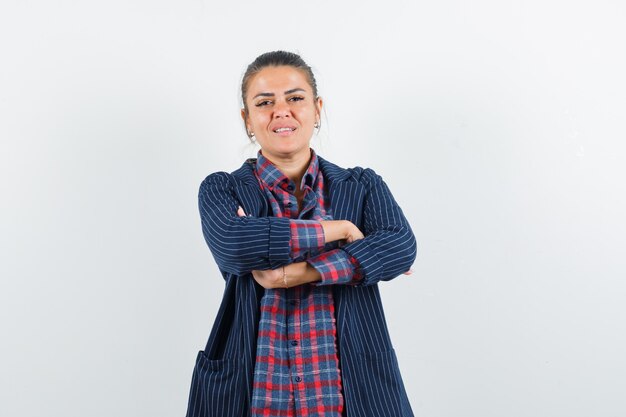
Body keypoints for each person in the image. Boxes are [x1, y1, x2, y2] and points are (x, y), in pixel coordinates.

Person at [186, 51, 417, 417]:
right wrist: (338, 230)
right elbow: (233, 242)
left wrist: (298, 272)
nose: (281, 111)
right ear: (247, 118)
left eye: (295, 98)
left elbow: (399, 247)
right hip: (254, 393)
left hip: (350, 393)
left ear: (317, 108)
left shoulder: (362, 185)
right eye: (265, 103)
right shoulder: (222, 188)